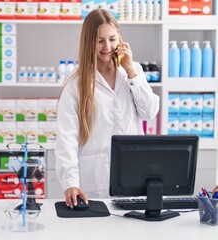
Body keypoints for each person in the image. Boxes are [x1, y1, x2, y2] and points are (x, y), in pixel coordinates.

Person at [54, 9, 160, 208]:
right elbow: (66, 138)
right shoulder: (76, 83)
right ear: (89, 42)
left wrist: (130, 72)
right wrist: (70, 183)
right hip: (95, 181)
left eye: (112, 39)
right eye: (100, 40)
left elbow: (150, 111)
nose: (107, 46)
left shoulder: (132, 70)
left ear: (119, 38)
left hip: (133, 175)